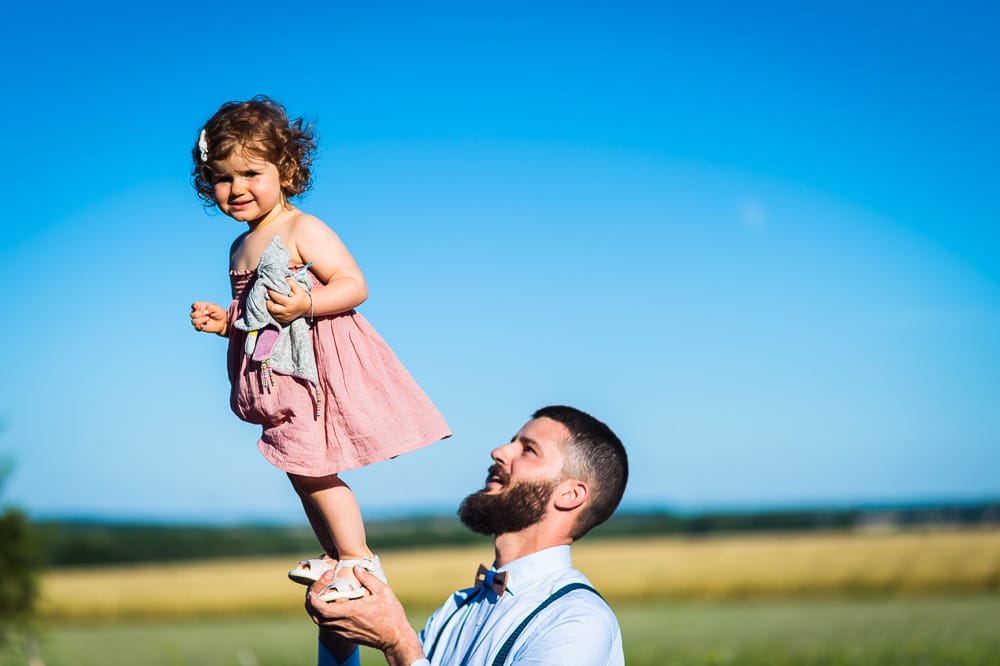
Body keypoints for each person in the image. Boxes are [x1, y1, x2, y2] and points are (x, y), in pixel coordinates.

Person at [189, 96, 450, 600]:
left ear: (284, 169)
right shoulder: (239, 245)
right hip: (271, 367)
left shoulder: (301, 229)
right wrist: (226, 324)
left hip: (311, 369)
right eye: (222, 178)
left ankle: (359, 560)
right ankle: (335, 552)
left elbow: (353, 284)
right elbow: (257, 316)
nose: (236, 188)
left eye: (250, 173)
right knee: (298, 467)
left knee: (311, 466)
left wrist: (307, 302)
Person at [307, 405, 628, 666]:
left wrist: (399, 643)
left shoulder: (578, 623)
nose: (499, 451)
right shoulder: (459, 607)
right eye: (511, 441)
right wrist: (339, 636)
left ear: (571, 495)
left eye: (528, 449)